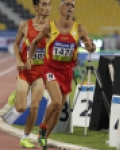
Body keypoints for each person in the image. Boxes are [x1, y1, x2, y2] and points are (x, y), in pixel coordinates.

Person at [27, 0, 96, 149]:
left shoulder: (80, 29)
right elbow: (34, 43)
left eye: (73, 6)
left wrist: (92, 47)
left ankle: (45, 138)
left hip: (67, 71)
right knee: (57, 101)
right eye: (67, 5)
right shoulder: (49, 27)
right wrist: (29, 59)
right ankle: (42, 127)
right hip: (51, 69)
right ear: (60, 9)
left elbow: (91, 47)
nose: (70, 8)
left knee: (58, 109)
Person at [13, 0, 51, 148]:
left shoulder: (52, 28)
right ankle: (15, 96)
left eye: (49, 4)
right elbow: (16, 45)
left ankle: (25, 137)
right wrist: (18, 60)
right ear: (36, 7)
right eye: (44, 4)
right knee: (21, 108)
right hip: (24, 71)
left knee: (35, 106)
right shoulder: (24, 25)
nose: (47, 7)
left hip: (40, 73)